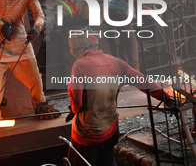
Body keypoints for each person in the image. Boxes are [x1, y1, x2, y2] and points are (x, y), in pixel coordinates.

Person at [66, 27, 174, 166]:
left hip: (86, 136)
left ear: (77, 48)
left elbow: (77, 102)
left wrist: (74, 109)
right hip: (111, 130)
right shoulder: (117, 62)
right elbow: (143, 81)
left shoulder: (79, 65)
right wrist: (166, 98)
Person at [108, 0, 160, 71]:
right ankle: (136, 71)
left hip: (124, 11)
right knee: (131, 40)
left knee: (124, 40)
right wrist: (144, 9)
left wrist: (154, 10)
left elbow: (145, 0)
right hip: (115, 10)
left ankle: (123, 69)